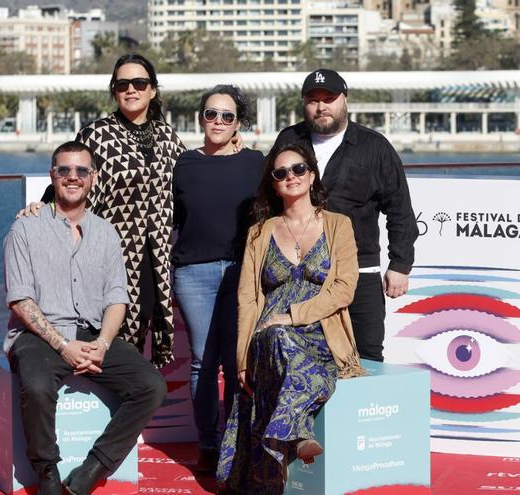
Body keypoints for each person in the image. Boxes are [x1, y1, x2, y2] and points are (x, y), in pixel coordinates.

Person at [3, 141, 166, 495]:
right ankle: (46, 472)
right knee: (37, 384)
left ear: (92, 177)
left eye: (81, 171)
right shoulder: (25, 230)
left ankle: (92, 469)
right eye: (64, 170)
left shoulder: (106, 233)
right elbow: (20, 300)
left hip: (93, 334)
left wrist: (103, 344)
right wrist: (63, 346)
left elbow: (116, 298)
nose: (72, 177)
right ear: (52, 175)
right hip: (39, 335)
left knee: (151, 386)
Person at [21, 53, 186, 368]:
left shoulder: (168, 137)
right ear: (114, 90)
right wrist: (41, 209)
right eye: (122, 84)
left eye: (140, 83)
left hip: (155, 258)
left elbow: (191, 179)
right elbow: (70, 179)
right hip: (111, 254)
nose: (131, 90)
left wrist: (231, 146)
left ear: (153, 90)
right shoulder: (96, 134)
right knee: (113, 337)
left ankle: (136, 404)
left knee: (143, 332)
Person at [217, 142, 365, 493]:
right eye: (281, 173)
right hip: (268, 334)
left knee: (281, 335)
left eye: (299, 169)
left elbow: (344, 288)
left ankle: (286, 436)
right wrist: (241, 358)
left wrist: (292, 315)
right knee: (274, 337)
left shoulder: (338, 225)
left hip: (321, 332)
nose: (291, 177)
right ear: (273, 182)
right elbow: (248, 299)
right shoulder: (259, 232)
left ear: (312, 175)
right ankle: (294, 436)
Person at [272, 68, 418, 362]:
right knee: (303, 359)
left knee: (366, 356)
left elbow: (400, 209)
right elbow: (268, 192)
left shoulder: (375, 147)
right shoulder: (289, 139)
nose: (322, 106)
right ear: (304, 104)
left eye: (329, 98)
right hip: (300, 274)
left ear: (344, 100)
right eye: (313, 100)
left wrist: (400, 264)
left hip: (360, 273)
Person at [171, 85, 264, 473]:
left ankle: (235, 441)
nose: (218, 122)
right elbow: (173, 218)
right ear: (200, 118)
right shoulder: (184, 164)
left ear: (238, 123)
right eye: (212, 114)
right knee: (202, 362)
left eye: (227, 116)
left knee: (236, 359)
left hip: (242, 272)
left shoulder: (256, 162)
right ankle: (209, 443)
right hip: (193, 272)